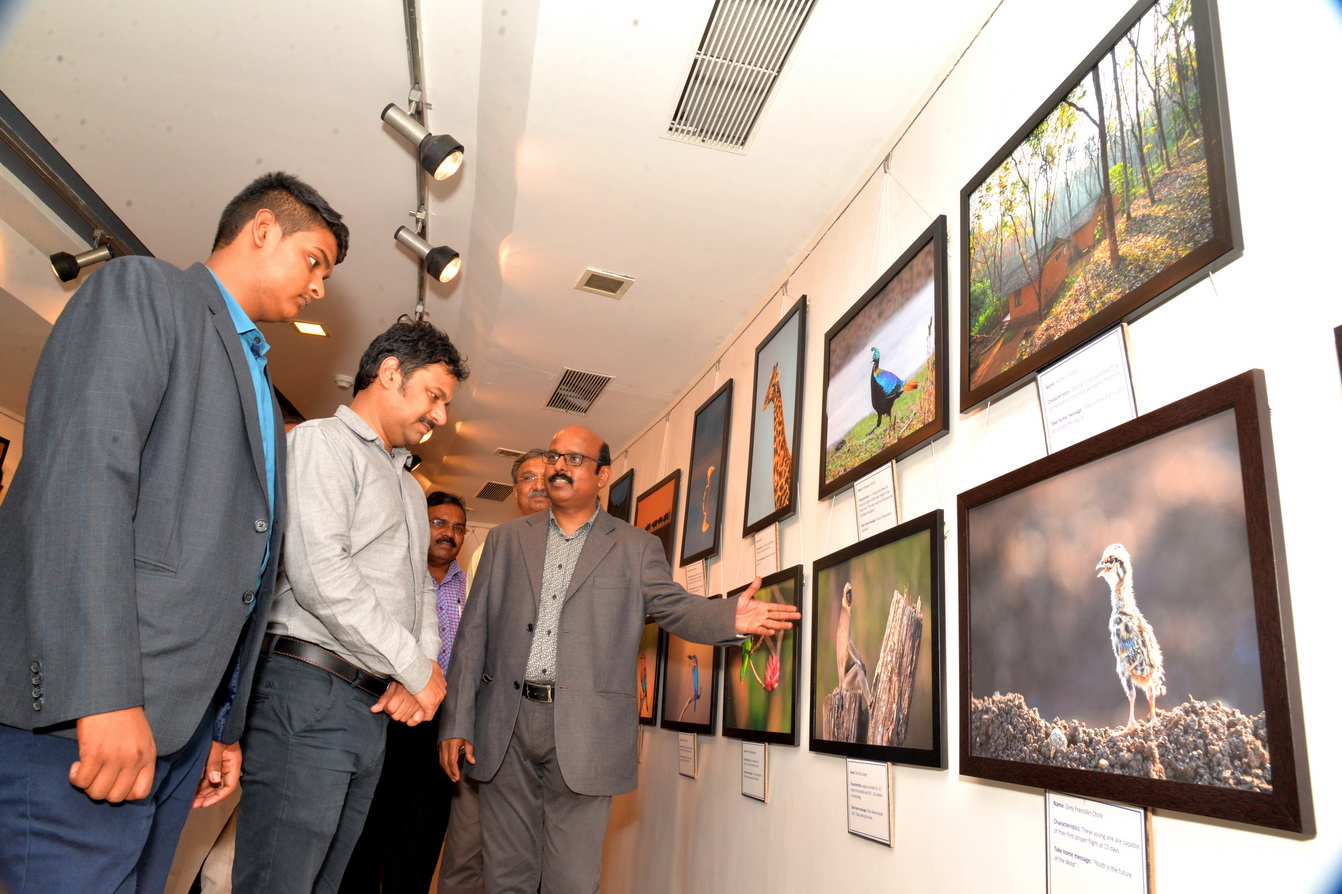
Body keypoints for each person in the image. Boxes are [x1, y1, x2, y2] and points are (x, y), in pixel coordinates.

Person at [0, 171, 348, 894]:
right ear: (261, 229)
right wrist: (101, 696)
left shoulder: (261, 381)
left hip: (178, 733)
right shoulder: (145, 291)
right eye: (314, 261)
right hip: (93, 715)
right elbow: (80, 487)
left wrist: (223, 726)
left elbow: (243, 568)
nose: (319, 287)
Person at [438, 425, 800, 893]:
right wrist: (456, 722)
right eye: (554, 457)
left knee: (572, 881)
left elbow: (675, 607)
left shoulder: (636, 547)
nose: (559, 467)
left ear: (603, 475)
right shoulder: (506, 540)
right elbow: (473, 636)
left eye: (574, 459)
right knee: (505, 878)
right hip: (503, 726)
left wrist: (730, 617)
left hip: (587, 732)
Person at [233, 319, 468, 893]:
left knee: (330, 881)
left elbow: (420, 592)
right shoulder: (321, 444)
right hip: (308, 690)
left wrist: (420, 671)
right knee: (281, 881)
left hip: (370, 707)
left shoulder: (410, 487)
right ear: (389, 373)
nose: (440, 415)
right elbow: (322, 575)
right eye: (434, 395)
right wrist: (416, 670)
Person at [340, 490, 470, 894]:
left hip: (441, 724)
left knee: (421, 834)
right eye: (439, 523)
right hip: (388, 712)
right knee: (368, 823)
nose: (449, 533)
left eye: (458, 527)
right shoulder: (395, 574)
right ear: (418, 524)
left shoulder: (469, 587)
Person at [438, 449, 550, 894]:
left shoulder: (586, 550)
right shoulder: (493, 548)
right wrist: (460, 722)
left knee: (528, 856)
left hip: (545, 732)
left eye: (547, 475)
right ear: (515, 492)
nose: (538, 484)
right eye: (527, 478)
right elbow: (473, 643)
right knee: (466, 849)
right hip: (487, 726)